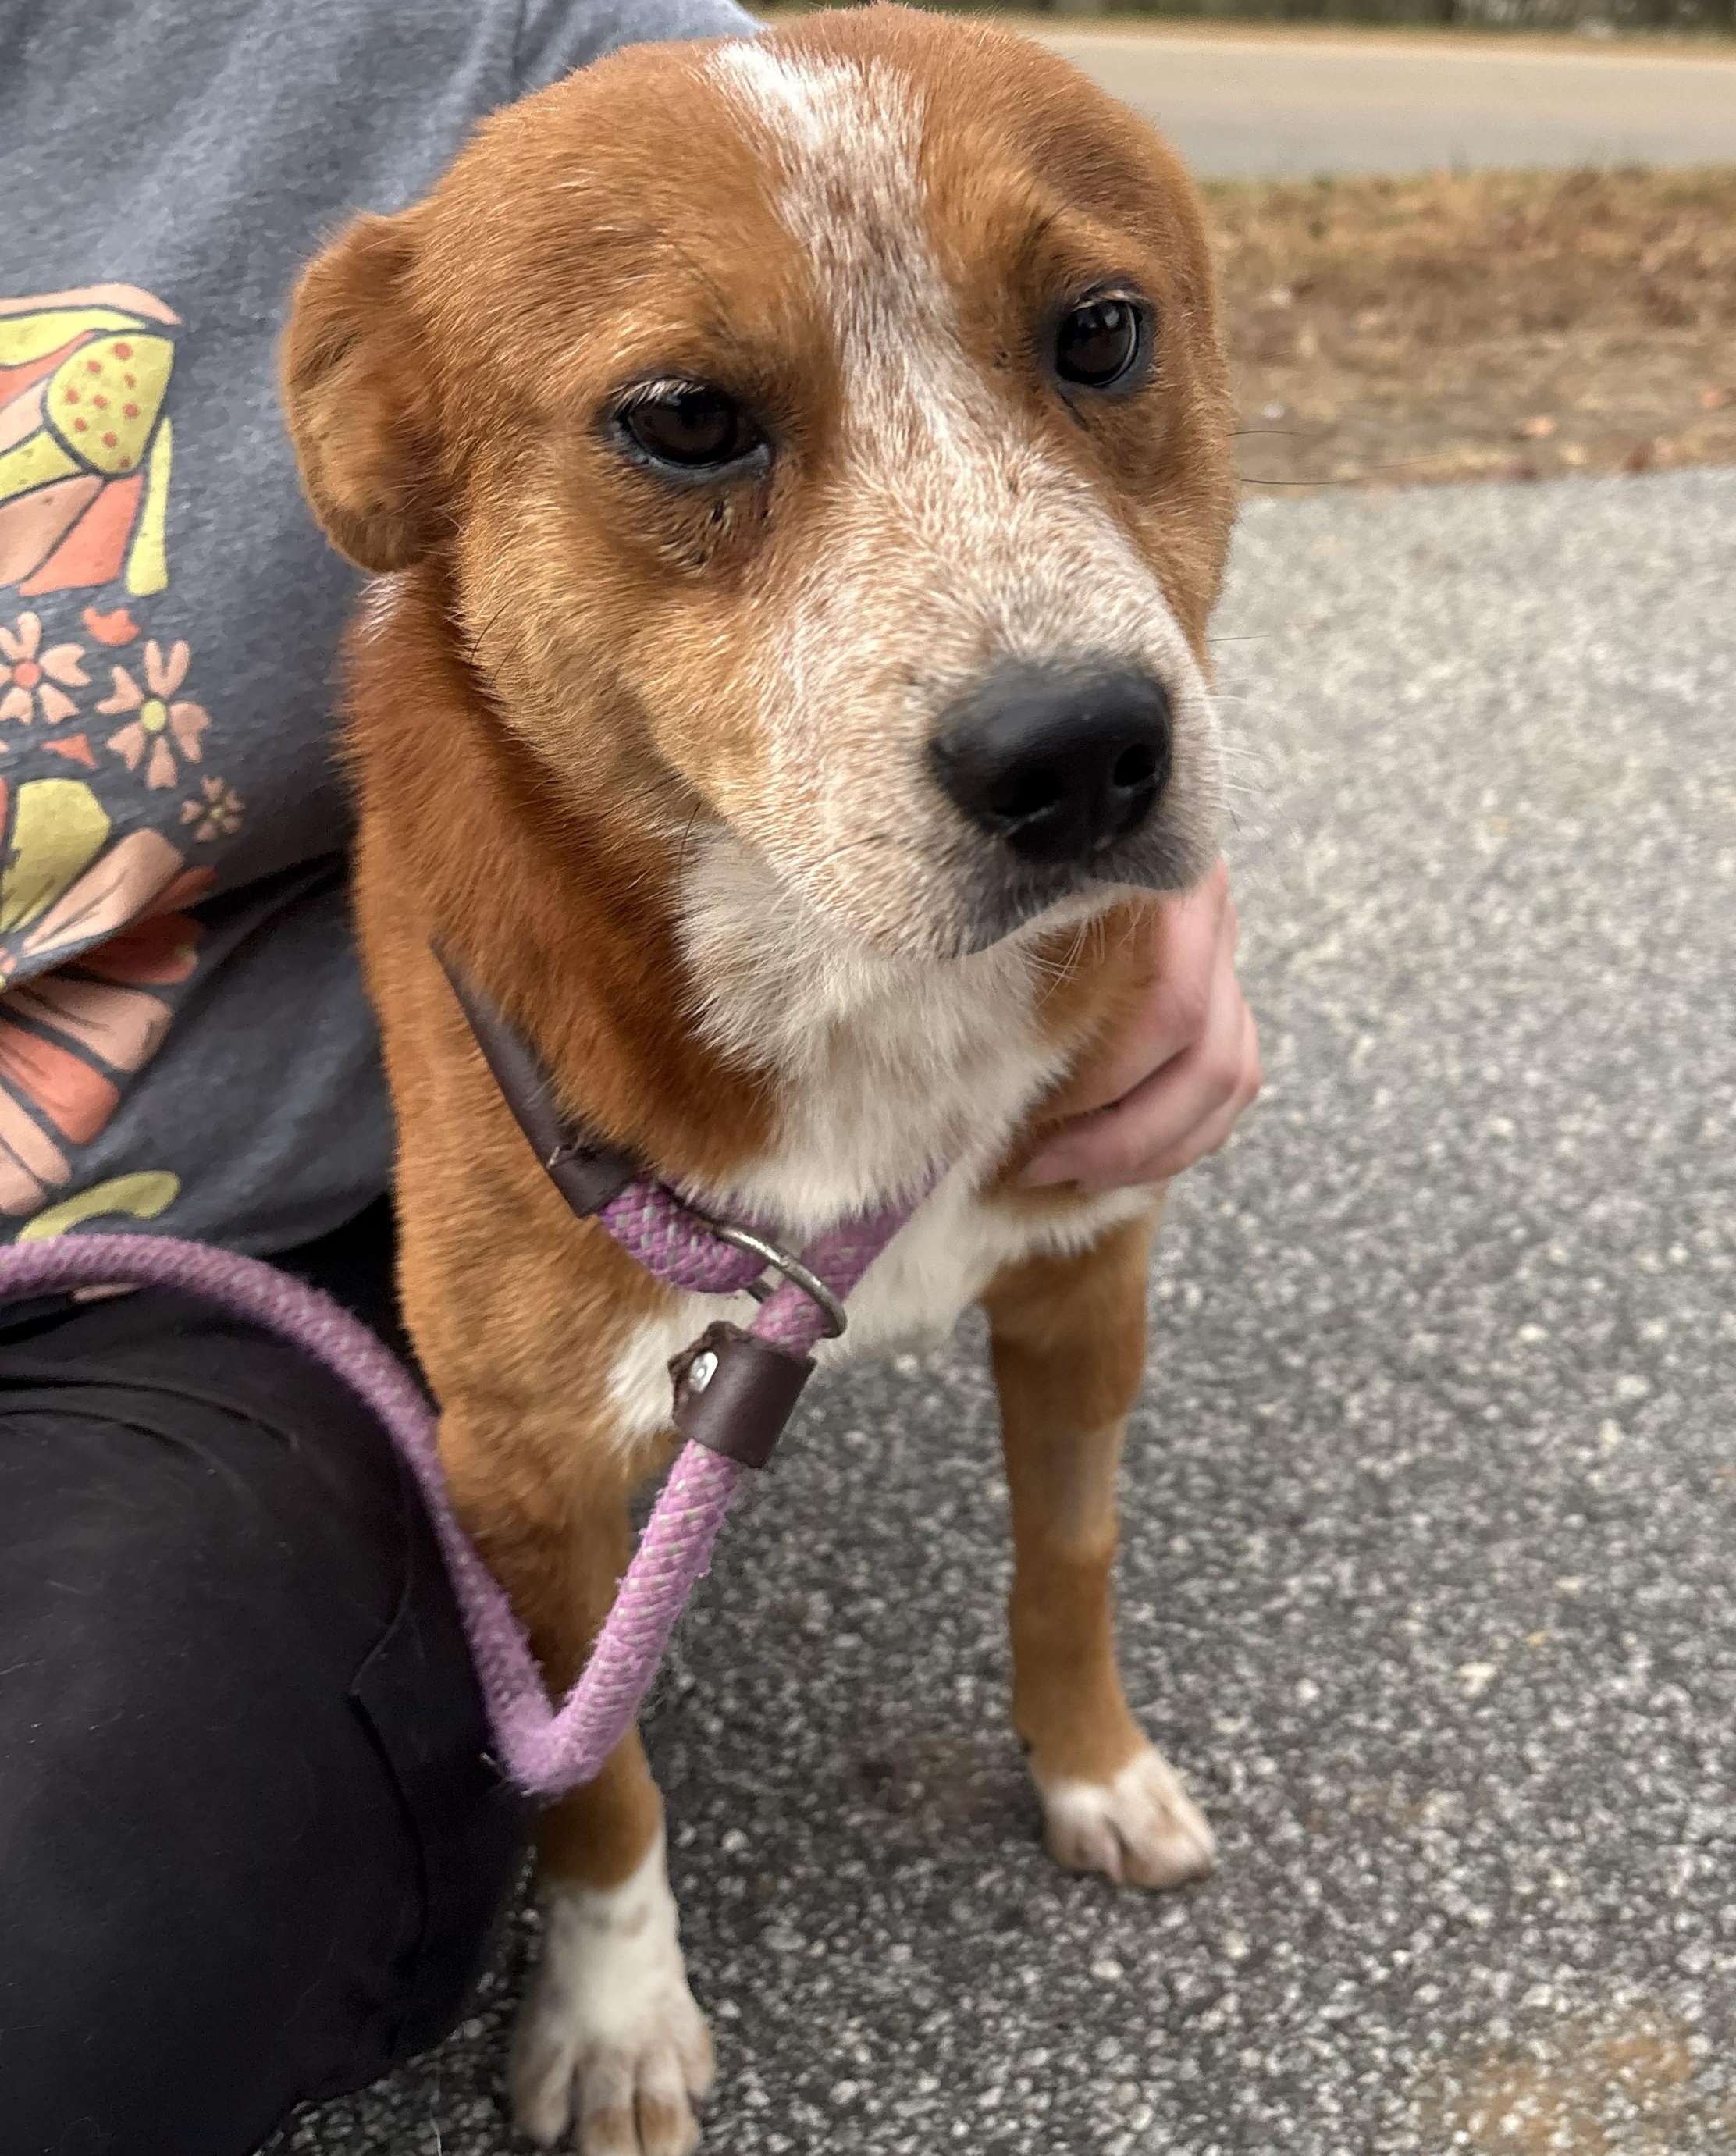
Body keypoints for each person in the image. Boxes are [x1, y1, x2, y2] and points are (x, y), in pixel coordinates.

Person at [0, 0, 1262, 2147]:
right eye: (693, 425)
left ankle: (1070, 1693)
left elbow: (748, 134)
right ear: (377, 452)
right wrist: (613, 1906)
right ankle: (603, 1880)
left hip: (157, 1254)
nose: (1049, 668)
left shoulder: (492, 36)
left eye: (1096, 342)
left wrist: (1075, 1695)